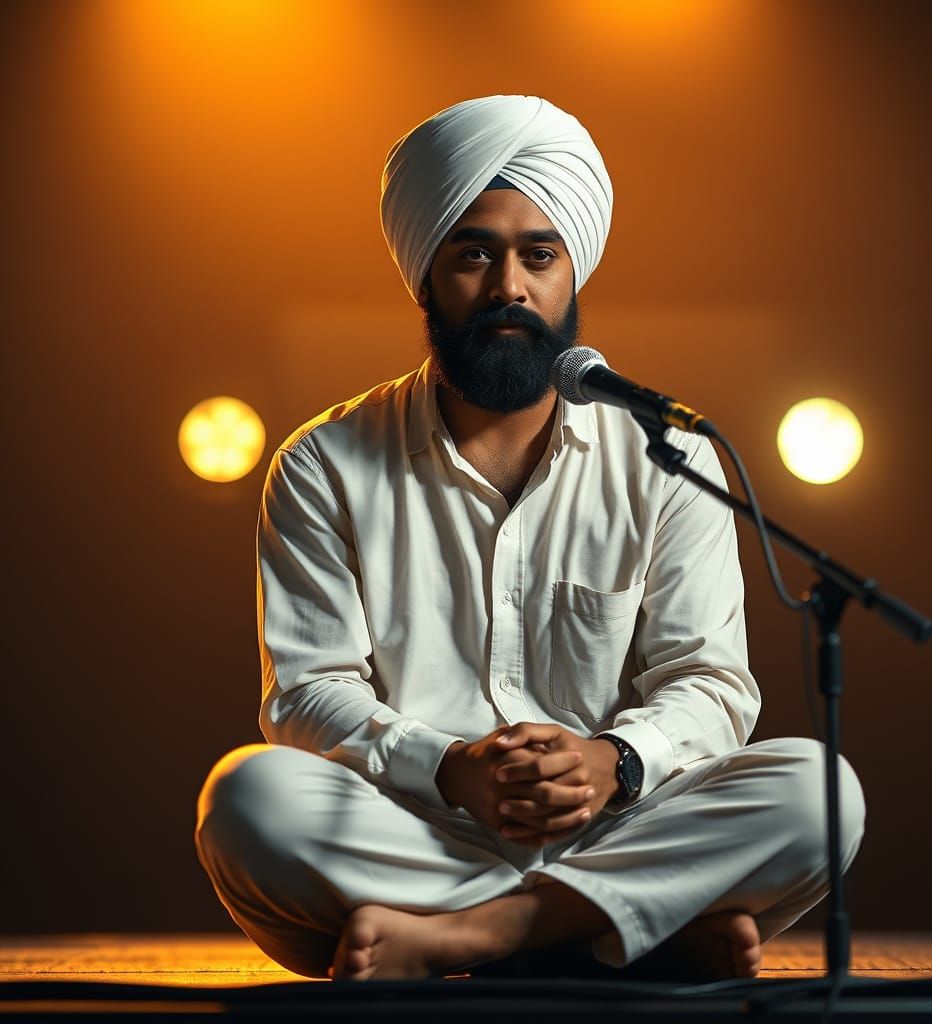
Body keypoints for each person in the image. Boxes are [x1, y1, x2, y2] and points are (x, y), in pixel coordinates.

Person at [194, 95, 865, 984]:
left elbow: (707, 684)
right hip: (416, 823)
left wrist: (612, 761)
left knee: (820, 790)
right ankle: (630, 926)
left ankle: (469, 939)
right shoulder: (324, 463)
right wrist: (451, 768)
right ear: (427, 274)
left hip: (618, 822)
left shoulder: (672, 458)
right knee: (247, 799)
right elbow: (309, 694)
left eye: (538, 255)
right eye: (474, 253)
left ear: (571, 275)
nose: (509, 286)